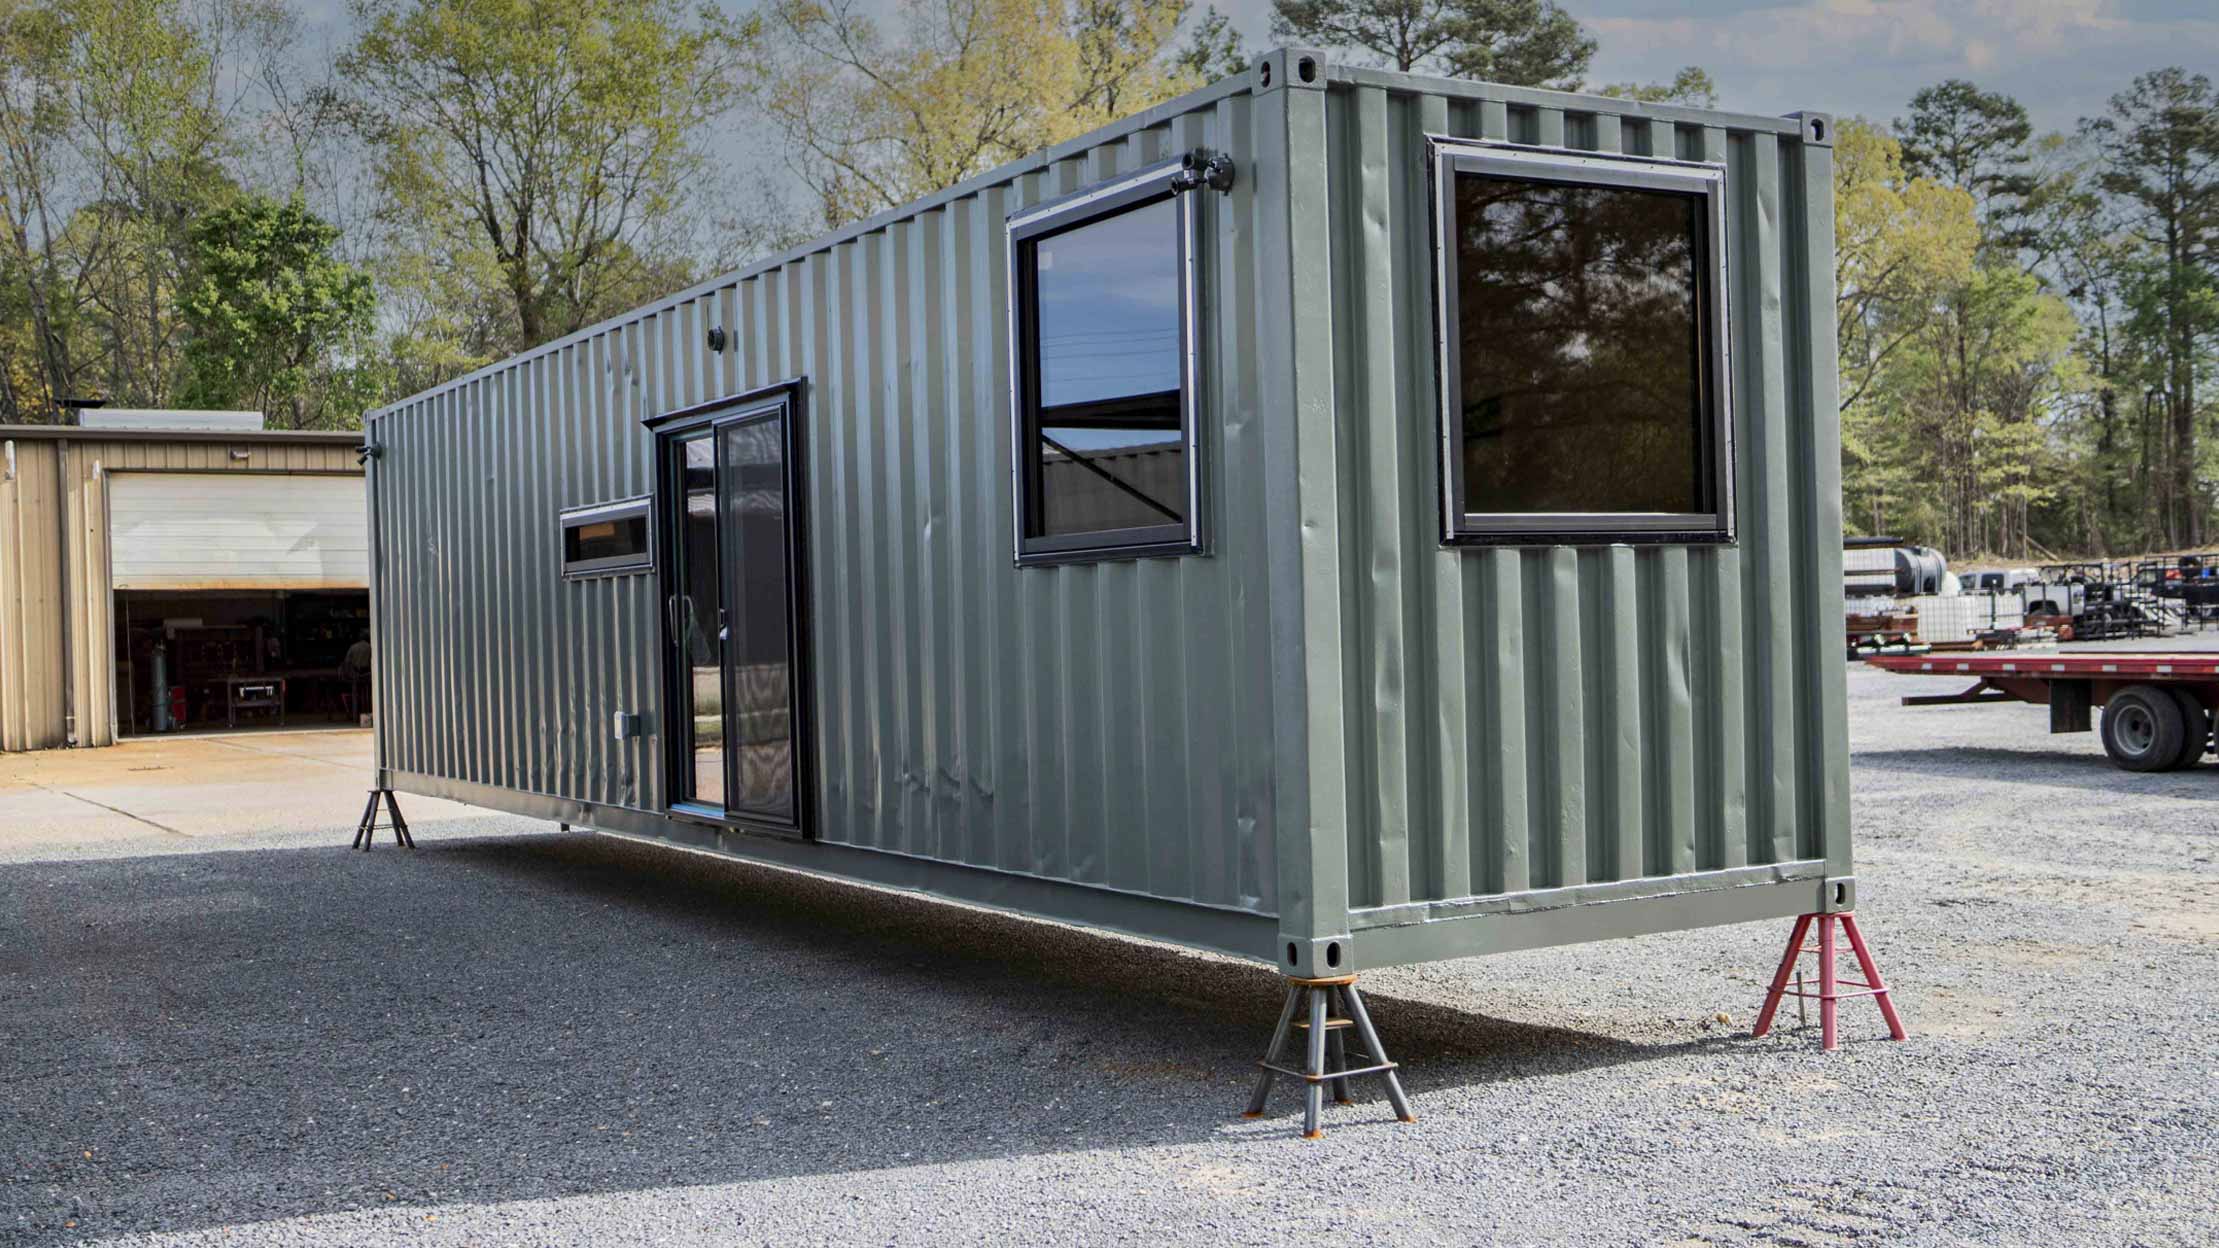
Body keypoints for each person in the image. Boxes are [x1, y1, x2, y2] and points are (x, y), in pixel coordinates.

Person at [342, 633, 373, 722]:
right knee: (368, 694)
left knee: (355, 694)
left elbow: (347, 662)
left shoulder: (353, 647)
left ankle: (355, 716)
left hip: (355, 675)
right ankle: (369, 714)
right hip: (367, 674)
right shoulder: (370, 647)